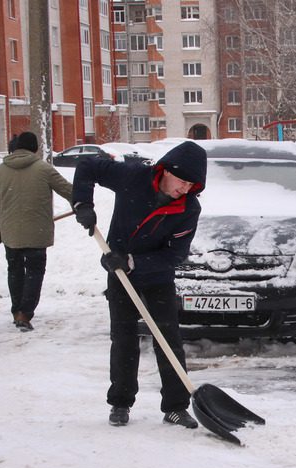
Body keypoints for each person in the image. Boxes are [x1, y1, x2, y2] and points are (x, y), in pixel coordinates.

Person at [71, 141, 206, 428]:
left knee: (168, 338)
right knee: (123, 337)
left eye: (190, 185)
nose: (184, 189)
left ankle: (175, 406)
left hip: (156, 275)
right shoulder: (133, 176)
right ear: (165, 171)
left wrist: (133, 261)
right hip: (118, 272)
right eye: (182, 182)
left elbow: (176, 254)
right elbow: (87, 166)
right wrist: (83, 203)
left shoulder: (188, 209)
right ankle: (120, 403)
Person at [0, 131, 73, 332]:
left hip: (10, 231)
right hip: (36, 231)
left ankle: (16, 310)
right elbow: (68, 190)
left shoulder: (1, 170)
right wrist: (83, 203)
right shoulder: (43, 169)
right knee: (34, 272)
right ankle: (25, 313)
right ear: (35, 148)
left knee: (15, 270)